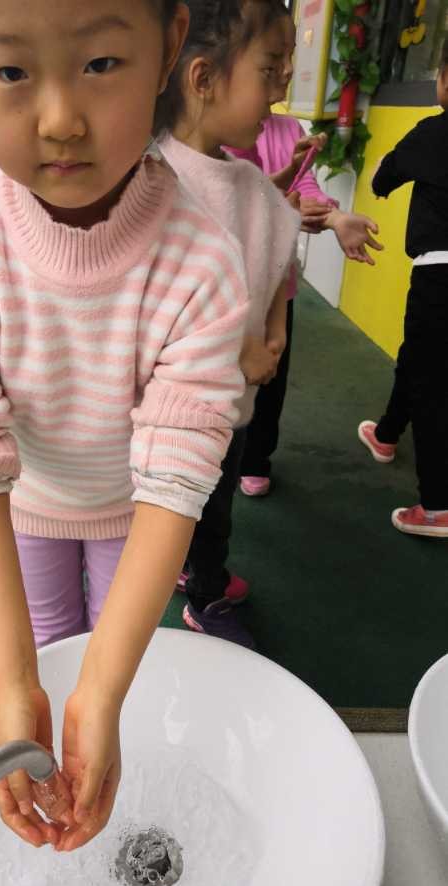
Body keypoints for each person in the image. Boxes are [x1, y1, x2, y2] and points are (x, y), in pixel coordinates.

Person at [0, 0, 249, 855]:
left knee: (113, 670)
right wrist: (15, 682)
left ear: (168, 45)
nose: (59, 120)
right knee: (47, 658)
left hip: (138, 513)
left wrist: (102, 690)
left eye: (99, 64)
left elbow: (176, 477)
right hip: (26, 507)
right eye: (11, 71)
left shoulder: (203, 264)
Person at [156, 0, 300, 644]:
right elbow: (157, 300)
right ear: (204, 77)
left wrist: (274, 327)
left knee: (216, 500)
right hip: (175, 410)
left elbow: (279, 246)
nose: (280, 89)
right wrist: (238, 348)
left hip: (234, 402)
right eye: (269, 69)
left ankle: (200, 571)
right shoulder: (155, 180)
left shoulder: (246, 181)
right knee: (184, 501)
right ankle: (205, 594)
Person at [229, 10, 383, 498]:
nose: (290, 69)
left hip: (278, 286)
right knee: (222, 381)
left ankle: (256, 458)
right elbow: (242, 200)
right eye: (274, 59)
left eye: (291, 56)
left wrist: (336, 219)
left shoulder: (287, 129)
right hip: (227, 291)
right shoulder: (217, 138)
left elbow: (303, 192)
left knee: (270, 376)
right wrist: (284, 201)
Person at [357, 39, 448, 538]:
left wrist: (384, 174)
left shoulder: (432, 132)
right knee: (418, 359)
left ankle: (436, 506)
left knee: (432, 385)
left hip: (439, 277)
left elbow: (381, 180)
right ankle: (387, 433)